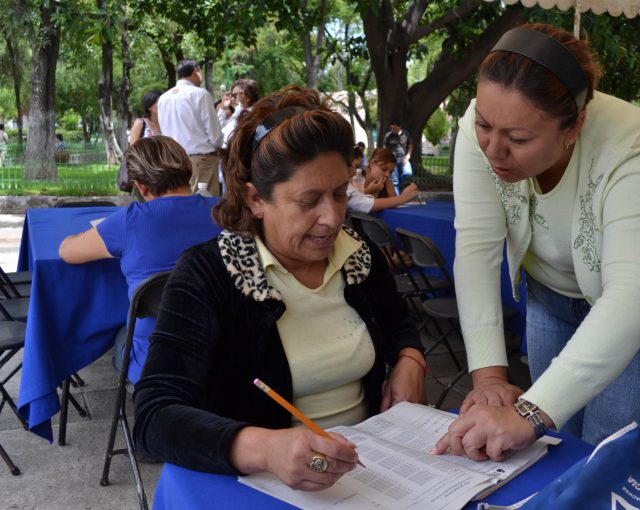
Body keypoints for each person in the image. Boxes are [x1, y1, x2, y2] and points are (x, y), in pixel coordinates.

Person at [132, 86, 427, 488]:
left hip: (369, 477)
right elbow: (154, 415)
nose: (332, 219)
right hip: (258, 485)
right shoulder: (210, 273)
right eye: (309, 201)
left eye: (340, 194)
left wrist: (410, 359)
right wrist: (265, 449)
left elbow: (397, 321)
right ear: (255, 199)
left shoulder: (357, 254)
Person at [433, 23, 640, 459]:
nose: (493, 150)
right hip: (550, 292)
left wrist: (530, 413)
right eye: (484, 125)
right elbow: (476, 251)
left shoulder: (636, 146)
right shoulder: (478, 134)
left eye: (518, 139)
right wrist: (489, 381)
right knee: (551, 449)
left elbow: (634, 296)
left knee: (603, 457)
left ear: (574, 127)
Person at [58, 136, 222, 384]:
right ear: (186, 171)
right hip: (222, 348)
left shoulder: (128, 221)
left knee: (118, 331)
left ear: (141, 187)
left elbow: (66, 251)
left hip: (153, 360)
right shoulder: (225, 212)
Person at [157, 59, 223, 195]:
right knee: (204, 205)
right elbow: (214, 133)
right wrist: (219, 145)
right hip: (200, 160)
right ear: (196, 71)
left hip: (173, 160)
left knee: (180, 203)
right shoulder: (200, 94)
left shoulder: (163, 98)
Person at [347, 147, 420, 213]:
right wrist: (369, 191)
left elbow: (394, 204)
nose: (387, 174)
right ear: (372, 163)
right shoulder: (357, 177)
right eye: (384, 169)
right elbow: (354, 204)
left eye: (391, 172)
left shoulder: (387, 181)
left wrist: (406, 196)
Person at [382, 119, 413, 194]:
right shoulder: (388, 135)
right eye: (392, 128)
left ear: (399, 127)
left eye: (395, 128)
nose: (393, 130)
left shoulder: (405, 134)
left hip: (403, 159)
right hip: (393, 160)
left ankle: (401, 183)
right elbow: (384, 147)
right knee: (394, 181)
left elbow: (410, 145)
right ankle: (397, 197)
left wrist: (408, 156)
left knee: (408, 173)